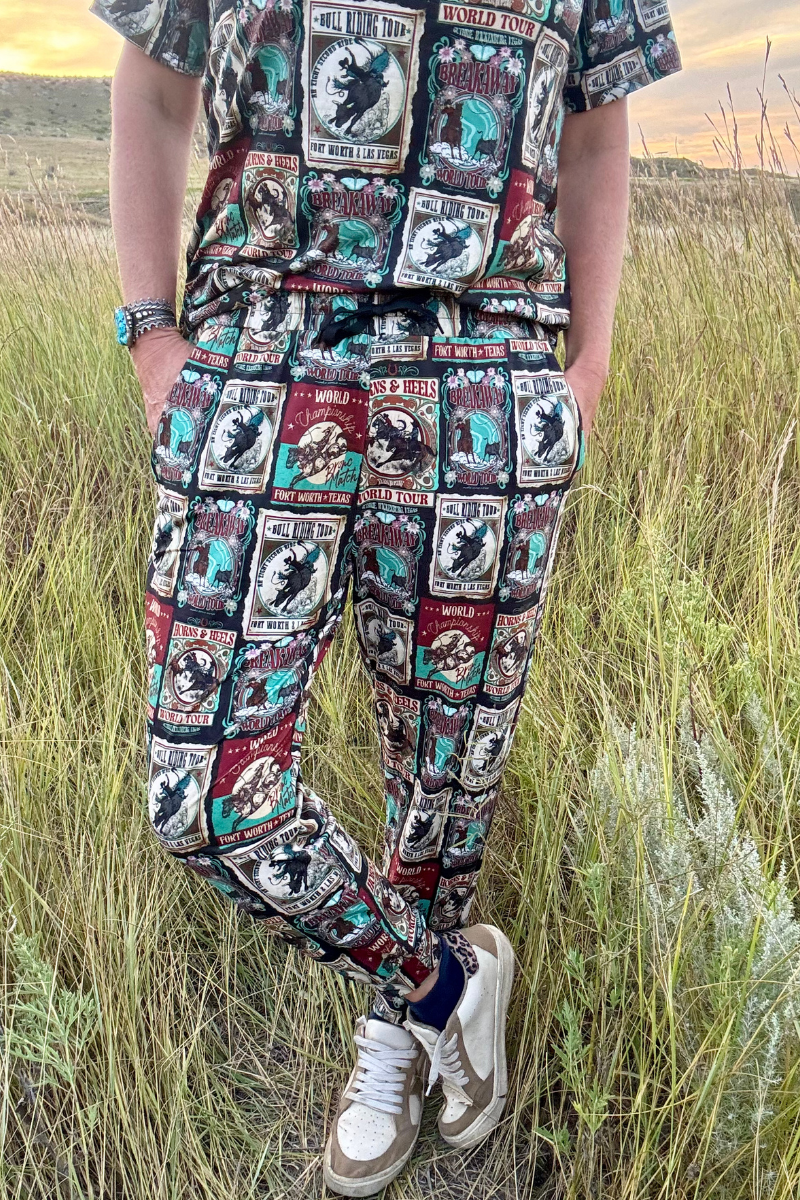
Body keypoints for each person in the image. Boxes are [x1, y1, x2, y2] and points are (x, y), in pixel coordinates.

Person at [93, 0, 681, 1192]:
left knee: (442, 777)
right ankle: (443, 986)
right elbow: (154, 83)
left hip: (487, 369)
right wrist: (153, 335)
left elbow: (593, 130)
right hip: (263, 359)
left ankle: (396, 1045)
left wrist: (585, 373)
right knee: (201, 793)